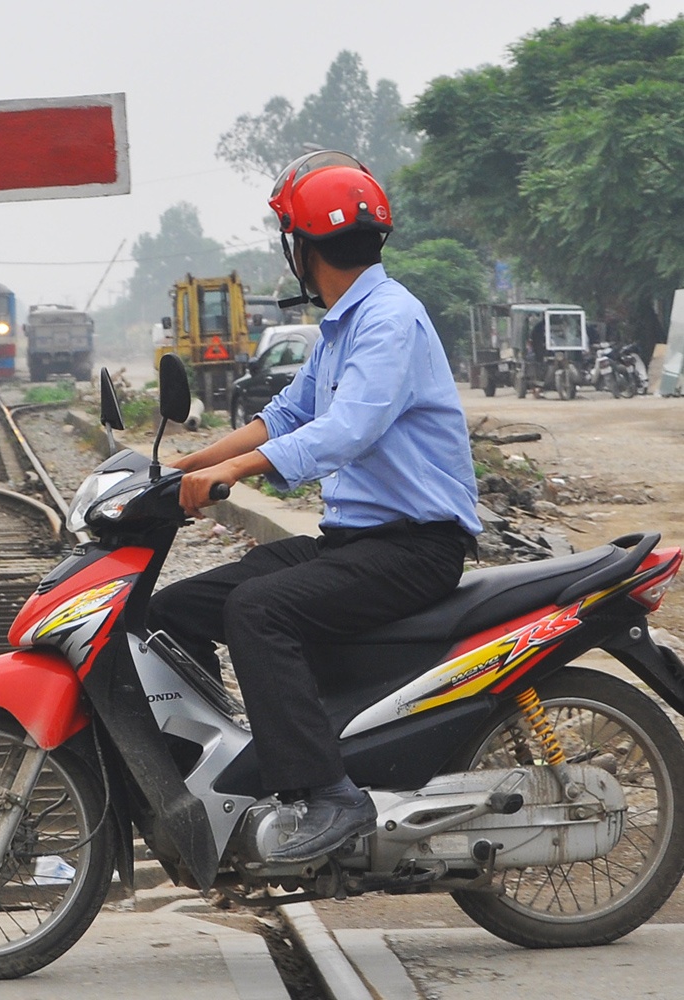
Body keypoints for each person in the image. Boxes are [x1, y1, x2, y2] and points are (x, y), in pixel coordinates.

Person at [147, 150, 482, 863]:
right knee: (179, 608)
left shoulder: (389, 317)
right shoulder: (341, 322)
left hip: (413, 547)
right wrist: (177, 466)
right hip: (356, 542)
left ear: (303, 246)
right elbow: (286, 413)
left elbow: (345, 429)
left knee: (259, 610)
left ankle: (329, 793)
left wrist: (233, 471)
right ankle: (240, 767)